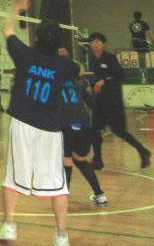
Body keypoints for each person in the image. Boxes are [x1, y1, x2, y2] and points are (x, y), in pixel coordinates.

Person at [0, 0, 79, 246]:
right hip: (50, 130)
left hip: (22, 124)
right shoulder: (66, 66)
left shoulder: (24, 54)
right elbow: (77, 69)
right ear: (59, 44)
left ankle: (10, 225)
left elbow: (7, 29)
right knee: (58, 183)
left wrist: (16, 7)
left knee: (13, 176)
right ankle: (61, 235)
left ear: (35, 38)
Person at [88, 33, 151, 170]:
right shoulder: (91, 60)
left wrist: (105, 81)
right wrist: (91, 86)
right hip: (99, 102)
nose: (94, 44)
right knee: (94, 130)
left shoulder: (110, 58)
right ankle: (97, 160)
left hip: (112, 102)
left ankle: (143, 151)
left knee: (119, 131)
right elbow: (94, 78)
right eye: (92, 42)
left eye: (97, 41)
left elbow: (120, 75)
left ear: (103, 44)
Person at [57, 47, 107, 207]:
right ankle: (100, 195)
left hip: (66, 125)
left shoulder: (54, 84)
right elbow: (91, 104)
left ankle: (64, 196)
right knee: (81, 160)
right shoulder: (79, 84)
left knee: (67, 160)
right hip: (84, 125)